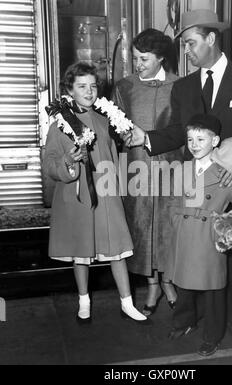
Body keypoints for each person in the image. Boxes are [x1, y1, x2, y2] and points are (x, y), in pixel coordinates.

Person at [123, 9, 232, 335]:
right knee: (189, 252)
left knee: (228, 251)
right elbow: (179, 131)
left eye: (191, 43)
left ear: (211, 38)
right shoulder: (185, 87)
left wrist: (230, 162)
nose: (186, 52)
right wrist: (145, 138)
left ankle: (230, 317)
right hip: (194, 185)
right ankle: (186, 318)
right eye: (184, 45)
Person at [43, 61, 149, 324]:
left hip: (105, 192)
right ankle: (84, 301)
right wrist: (69, 160)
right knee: (81, 252)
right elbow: (50, 163)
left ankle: (127, 302)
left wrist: (120, 188)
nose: (89, 92)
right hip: (76, 195)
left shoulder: (103, 119)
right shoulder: (60, 123)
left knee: (117, 248)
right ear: (70, 89)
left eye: (93, 86)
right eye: (82, 86)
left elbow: (111, 156)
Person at [166, 113, 232, 356]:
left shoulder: (224, 176)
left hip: (208, 240)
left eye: (201, 139)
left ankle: (212, 336)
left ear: (215, 141)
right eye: (190, 140)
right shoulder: (182, 170)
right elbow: (173, 202)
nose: (194, 145)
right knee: (183, 286)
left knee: (214, 292)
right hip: (185, 237)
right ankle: (184, 322)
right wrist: (174, 226)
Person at [112, 29, 182, 315]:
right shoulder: (124, 87)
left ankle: (169, 281)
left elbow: (185, 130)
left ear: (161, 58)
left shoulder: (181, 86)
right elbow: (113, 127)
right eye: (136, 58)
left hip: (172, 167)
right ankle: (152, 285)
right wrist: (121, 136)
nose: (137, 64)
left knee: (170, 225)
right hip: (137, 167)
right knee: (141, 226)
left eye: (144, 59)